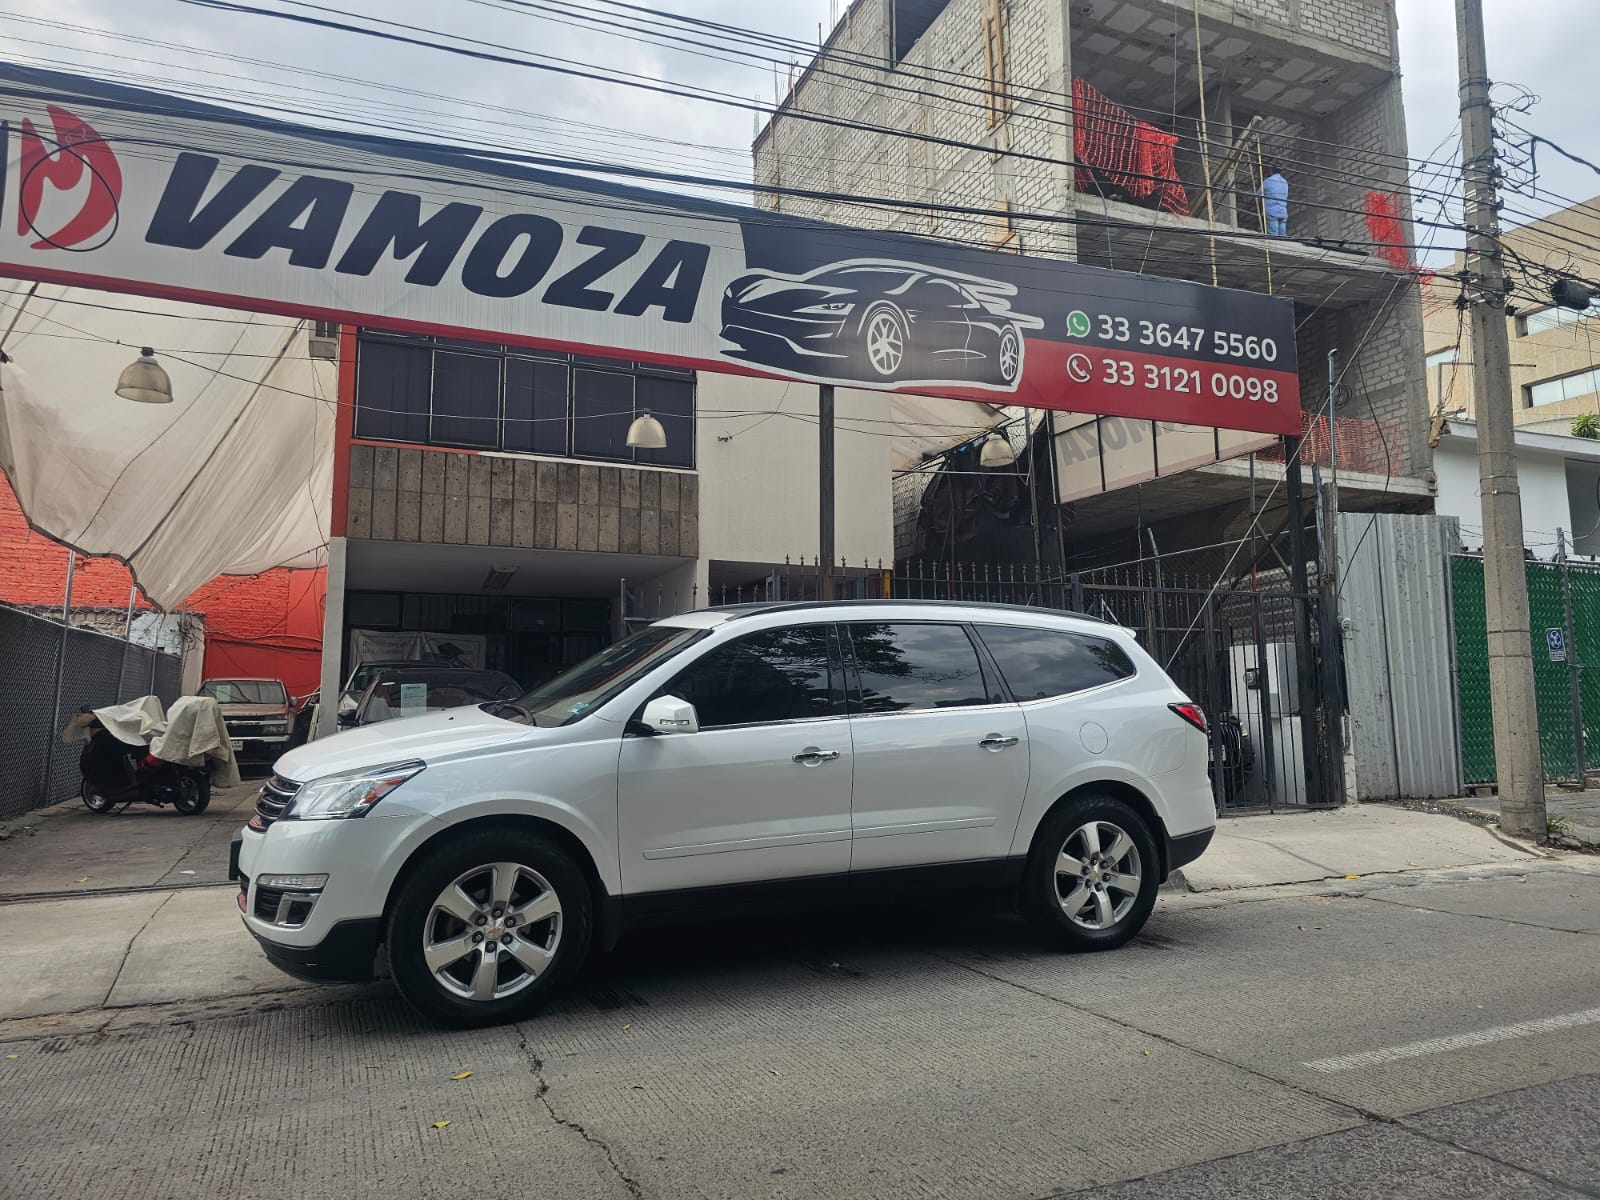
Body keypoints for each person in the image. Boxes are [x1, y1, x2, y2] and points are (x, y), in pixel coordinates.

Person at [1262, 167, 1289, 238]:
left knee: (1274, 235)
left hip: (1272, 211)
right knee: (1283, 236)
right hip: (1283, 211)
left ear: (1271, 171)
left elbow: (1259, 194)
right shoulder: (1285, 182)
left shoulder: (1268, 181)